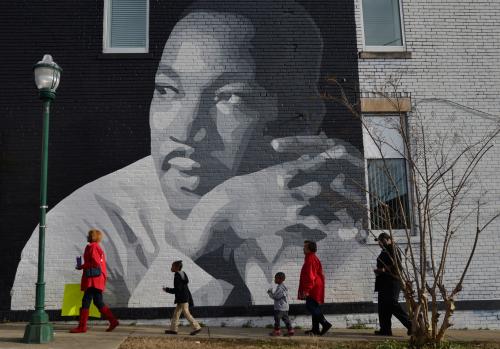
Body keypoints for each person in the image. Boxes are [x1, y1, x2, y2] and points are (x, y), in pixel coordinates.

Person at [12, 0, 365, 310]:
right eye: (167, 90)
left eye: (228, 98)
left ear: (301, 121)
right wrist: (200, 233)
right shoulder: (84, 224)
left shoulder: (332, 210)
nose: (182, 130)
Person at [70, 229, 119, 333]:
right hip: (98, 279)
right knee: (98, 302)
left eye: (89, 235)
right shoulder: (97, 247)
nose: (87, 236)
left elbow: (95, 263)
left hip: (93, 280)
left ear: (92, 236)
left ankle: (82, 327)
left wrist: (82, 266)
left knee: (86, 301)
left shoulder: (92, 247)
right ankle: (113, 321)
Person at [373, 232, 412, 336]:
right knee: (382, 306)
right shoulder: (385, 251)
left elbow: (397, 265)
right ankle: (385, 329)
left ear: (387, 239)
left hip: (392, 281)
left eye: (381, 241)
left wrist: (383, 269)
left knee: (392, 304)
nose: (380, 243)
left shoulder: (393, 249)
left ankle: (410, 325)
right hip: (383, 283)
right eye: (379, 241)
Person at [298, 240, 331, 336]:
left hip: (313, 287)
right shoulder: (310, 257)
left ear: (309, 249)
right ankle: (315, 329)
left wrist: (307, 290)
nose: (303, 249)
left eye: (304, 247)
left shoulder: (310, 259)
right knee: (314, 306)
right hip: (315, 285)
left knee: (310, 306)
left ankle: (325, 324)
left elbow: (310, 276)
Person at [163, 260, 202, 336]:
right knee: (176, 314)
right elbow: (181, 288)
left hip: (182, 298)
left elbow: (177, 289)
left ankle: (197, 327)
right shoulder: (182, 274)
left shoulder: (177, 276)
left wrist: (167, 289)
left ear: (177, 267)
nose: (171, 268)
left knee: (186, 313)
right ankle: (173, 329)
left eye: (172, 266)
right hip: (183, 297)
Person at [267, 272, 294, 337]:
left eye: (276, 278)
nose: (274, 280)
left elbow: (276, 297)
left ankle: (277, 331)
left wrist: (270, 293)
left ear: (280, 279)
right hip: (285, 307)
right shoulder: (284, 287)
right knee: (286, 319)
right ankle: (290, 330)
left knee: (277, 319)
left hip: (279, 307)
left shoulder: (280, 288)